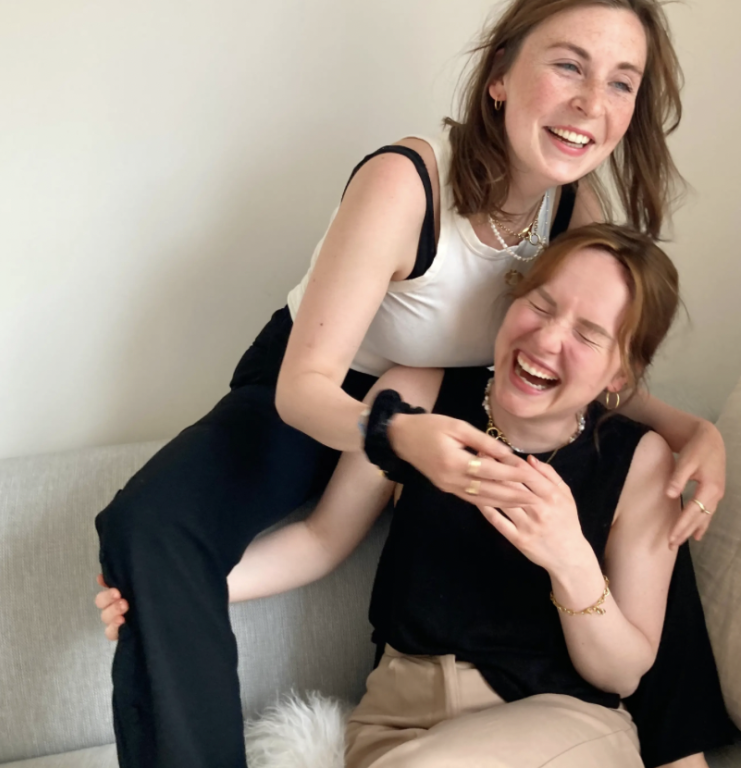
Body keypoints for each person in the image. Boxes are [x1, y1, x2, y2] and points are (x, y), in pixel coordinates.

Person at [94, 2, 728, 767]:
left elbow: (596, 375)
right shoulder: (406, 182)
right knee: (147, 531)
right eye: (569, 65)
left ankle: (679, 751)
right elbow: (304, 396)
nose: (593, 103)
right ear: (499, 76)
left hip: (434, 409)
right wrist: (399, 434)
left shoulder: (574, 209)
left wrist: (691, 431)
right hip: (321, 393)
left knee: (639, 475)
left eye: (622, 82)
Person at [99, 225, 733, 767]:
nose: (546, 340)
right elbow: (321, 540)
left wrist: (570, 559)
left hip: (558, 724)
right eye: (541, 305)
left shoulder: (641, 460)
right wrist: (174, 589)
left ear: (622, 371)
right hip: (394, 727)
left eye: (588, 335)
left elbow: (623, 672)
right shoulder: (418, 396)